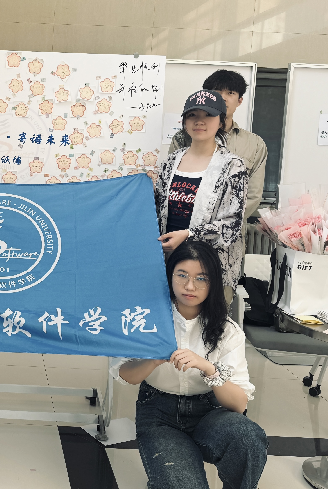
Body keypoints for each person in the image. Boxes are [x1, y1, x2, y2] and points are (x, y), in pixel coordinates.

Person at [111, 240, 267, 489]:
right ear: (169, 276)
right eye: (181, 275)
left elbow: (239, 404)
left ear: (213, 283)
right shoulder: (144, 319)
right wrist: (153, 359)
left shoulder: (227, 330)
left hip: (210, 411)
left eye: (201, 278)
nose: (190, 286)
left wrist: (209, 369)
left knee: (248, 438)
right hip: (159, 414)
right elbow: (123, 373)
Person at [156, 89, 248, 303]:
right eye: (192, 115)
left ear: (221, 121)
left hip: (209, 266)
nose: (199, 121)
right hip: (169, 262)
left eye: (208, 115)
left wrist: (189, 235)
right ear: (184, 121)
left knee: (204, 323)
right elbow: (157, 210)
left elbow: (232, 225)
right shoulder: (170, 162)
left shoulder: (232, 166)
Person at [169, 69, 267, 222]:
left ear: (240, 101)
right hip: (182, 224)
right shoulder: (183, 138)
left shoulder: (254, 144)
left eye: (230, 93)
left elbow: (253, 196)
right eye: (217, 92)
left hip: (228, 232)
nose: (223, 98)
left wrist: (215, 226)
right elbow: (171, 184)